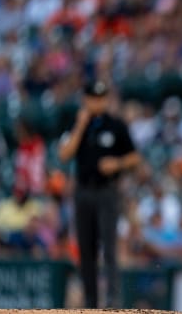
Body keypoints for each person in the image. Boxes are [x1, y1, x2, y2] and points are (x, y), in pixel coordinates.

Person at [58, 79, 140, 308]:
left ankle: (113, 302)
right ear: (85, 99)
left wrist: (118, 162)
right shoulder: (76, 124)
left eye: (102, 98)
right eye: (94, 98)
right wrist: (81, 125)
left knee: (109, 247)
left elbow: (135, 157)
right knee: (86, 250)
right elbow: (65, 154)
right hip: (83, 191)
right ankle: (91, 301)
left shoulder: (116, 125)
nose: (98, 102)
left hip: (107, 192)